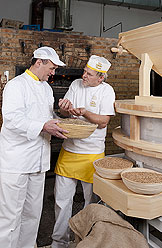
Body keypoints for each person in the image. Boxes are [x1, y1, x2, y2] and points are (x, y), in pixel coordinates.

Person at [0, 46, 68, 248]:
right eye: (52, 68)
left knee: (32, 213)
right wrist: (43, 126)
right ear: (39, 62)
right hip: (17, 161)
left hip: (39, 161)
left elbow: (47, 118)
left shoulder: (46, 88)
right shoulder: (16, 86)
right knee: (11, 216)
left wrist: (63, 117)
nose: (53, 73)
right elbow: (12, 120)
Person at [51, 55, 115, 248]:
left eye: (88, 73)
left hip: (92, 154)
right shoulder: (77, 84)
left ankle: (87, 242)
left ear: (101, 78)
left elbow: (104, 121)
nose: (83, 75)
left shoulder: (107, 91)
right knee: (61, 201)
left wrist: (85, 112)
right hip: (69, 150)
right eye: (84, 71)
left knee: (91, 203)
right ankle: (58, 242)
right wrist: (64, 108)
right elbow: (64, 113)